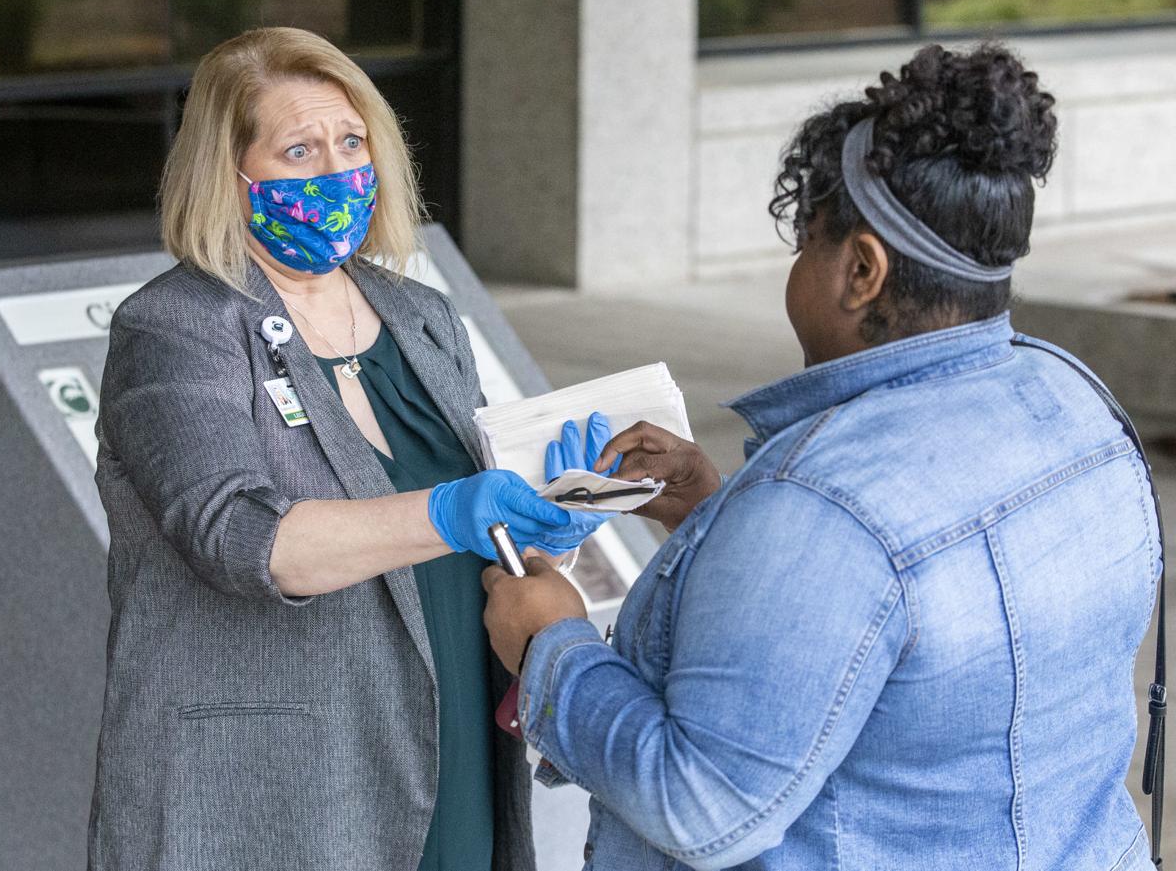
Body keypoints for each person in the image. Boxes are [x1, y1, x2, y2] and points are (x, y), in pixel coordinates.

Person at [483, 43, 1163, 870]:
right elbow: (905, 637)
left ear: (862, 271)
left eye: (807, 241)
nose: (798, 268)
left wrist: (549, 644)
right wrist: (718, 513)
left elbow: (703, 806)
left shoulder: (824, 505)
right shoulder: (1078, 405)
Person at [88, 26, 606, 871]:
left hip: (451, 746)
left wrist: (556, 510)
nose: (337, 170)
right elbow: (241, 537)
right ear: (232, 175)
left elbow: (469, 531)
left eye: (352, 140)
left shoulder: (421, 317)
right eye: (300, 149)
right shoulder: (177, 326)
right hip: (280, 788)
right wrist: (451, 509)